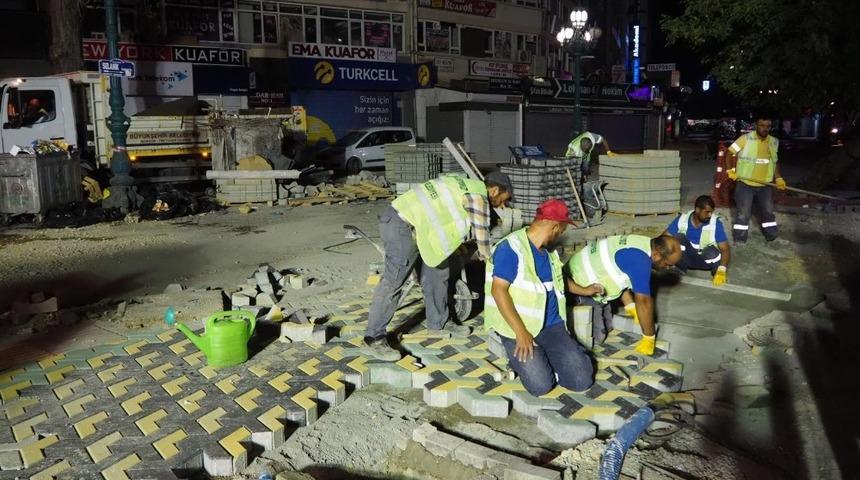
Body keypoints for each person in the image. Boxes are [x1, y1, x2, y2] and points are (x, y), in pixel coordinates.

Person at [362, 172, 514, 360]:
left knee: (438, 271)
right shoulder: (478, 197)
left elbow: (444, 216)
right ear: (494, 190)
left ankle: (438, 323)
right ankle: (373, 337)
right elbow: (482, 237)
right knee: (394, 281)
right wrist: (495, 262)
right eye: (502, 200)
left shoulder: (462, 182)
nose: (501, 205)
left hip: (421, 229)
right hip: (402, 225)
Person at [485, 199, 599, 396]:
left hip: (551, 326)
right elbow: (498, 290)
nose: (560, 235)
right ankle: (517, 357)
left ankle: (549, 357)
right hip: (518, 328)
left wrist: (585, 290)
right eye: (562, 230)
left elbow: (558, 280)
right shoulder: (511, 248)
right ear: (555, 227)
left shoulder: (548, 254)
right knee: (540, 386)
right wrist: (521, 333)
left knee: (581, 380)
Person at [567, 234, 682, 356]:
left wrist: (630, 306)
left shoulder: (642, 243)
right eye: (668, 264)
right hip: (576, 287)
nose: (669, 268)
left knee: (608, 326)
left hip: (588, 280)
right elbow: (644, 301)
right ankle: (569, 318)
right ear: (657, 256)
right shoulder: (640, 261)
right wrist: (649, 337)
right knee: (596, 338)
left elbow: (620, 274)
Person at [726, 115, 787, 243]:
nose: (765, 128)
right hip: (745, 183)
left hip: (766, 184)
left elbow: (774, 162)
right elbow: (729, 152)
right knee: (743, 213)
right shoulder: (745, 139)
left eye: (768, 126)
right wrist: (730, 170)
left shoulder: (774, 142)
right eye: (761, 125)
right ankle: (740, 240)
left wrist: (779, 178)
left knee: (768, 212)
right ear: (756, 125)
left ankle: (772, 236)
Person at [664, 195, 731, 286]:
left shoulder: (715, 223)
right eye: (707, 212)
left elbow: (725, 248)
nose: (710, 215)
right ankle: (679, 268)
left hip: (706, 261)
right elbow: (665, 237)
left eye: (711, 212)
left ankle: (716, 272)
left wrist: (722, 269)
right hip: (687, 258)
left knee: (713, 252)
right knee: (678, 238)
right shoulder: (682, 219)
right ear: (697, 210)